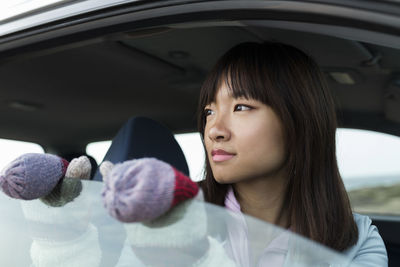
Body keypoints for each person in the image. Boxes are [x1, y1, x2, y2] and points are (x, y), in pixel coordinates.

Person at [196, 42, 388, 266]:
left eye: (241, 107)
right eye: (209, 111)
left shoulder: (359, 240)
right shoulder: (169, 222)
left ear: (298, 121)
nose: (214, 130)